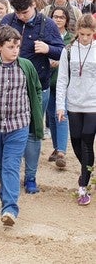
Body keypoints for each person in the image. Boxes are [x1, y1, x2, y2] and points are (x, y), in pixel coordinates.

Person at [0, 25, 43, 226]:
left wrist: (33, 113)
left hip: (19, 124)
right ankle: (6, 196)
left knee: (11, 164)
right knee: (3, 164)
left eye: (17, 46)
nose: (15, 50)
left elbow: (36, 90)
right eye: (11, 46)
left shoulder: (26, 66)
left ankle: (10, 208)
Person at [0, 0, 65, 193]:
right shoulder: (7, 22)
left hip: (39, 87)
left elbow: (62, 50)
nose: (21, 16)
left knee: (33, 132)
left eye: (25, 12)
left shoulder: (48, 24)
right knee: (8, 130)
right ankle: (7, 173)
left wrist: (48, 49)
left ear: (34, 5)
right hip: (9, 88)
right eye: (18, 12)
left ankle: (30, 178)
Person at [56, 14, 96, 206]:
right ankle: (88, 170)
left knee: (87, 140)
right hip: (73, 104)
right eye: (82, 34)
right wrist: (60, 106)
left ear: (94, 33)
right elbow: (62, 79)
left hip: (93, 104)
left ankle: (84, 185)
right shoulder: (69, 50)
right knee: (76, 141)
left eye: (89, 35)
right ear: (77, 32)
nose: (85, 38)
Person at [46, 7, 73, 168]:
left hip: (65, 83)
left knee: (61, 115)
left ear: (66, 20)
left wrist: (62, 63)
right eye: (55, 17)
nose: (58, 20)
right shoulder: (46, 36)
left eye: (62, 17)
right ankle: (57, 148)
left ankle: (62, 151)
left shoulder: (71, 39)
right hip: (48, 81)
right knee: (51, 116)